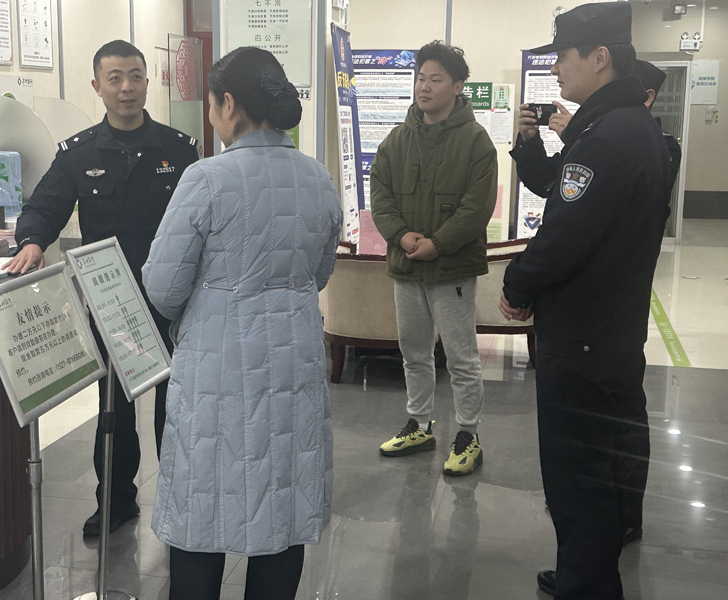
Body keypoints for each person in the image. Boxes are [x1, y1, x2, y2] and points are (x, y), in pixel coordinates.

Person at [141, 47, 342, 600]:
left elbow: (163, 287)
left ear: (228, 104)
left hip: (218, 370)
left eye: (211, 104)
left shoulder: (206, 178)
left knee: (202, 505)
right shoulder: (318, 177)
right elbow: (320, 272)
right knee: (283, 504)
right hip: (294, 364)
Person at [498, 3, 673, 598]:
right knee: (605, 465)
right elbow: (564, 195)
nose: (555, 70)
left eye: (562, 57)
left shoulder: (608, 138)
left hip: (583, 339)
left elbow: (565, 235)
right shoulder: (629, 129)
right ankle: (588, 572)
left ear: (599, 58)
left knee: (578, 477)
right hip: (613, 330)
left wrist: (517, 284)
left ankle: (586, 585)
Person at [5, 40, 200, 536]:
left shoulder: (179, 150)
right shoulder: (79, 153)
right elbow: (44, 207)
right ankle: (115, 501)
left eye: (134, 76)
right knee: (113, 407)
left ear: (146, 82)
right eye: (115, 78)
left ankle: (180, 499)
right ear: (97, 86)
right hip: (110, 301)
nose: (126, 87)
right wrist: (32, 242)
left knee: (175, 406)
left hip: (172, 299)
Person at [370, 40, 497, 475]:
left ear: (458, 86)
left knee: (461, 357)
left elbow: (477, 208)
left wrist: (437, 243)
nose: (424, 87)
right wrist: (401, 236)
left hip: (451, 267)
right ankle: (419, 424)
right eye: (421, 78)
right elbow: (381, 194)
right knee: (413, 352)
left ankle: (468, 434)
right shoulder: (397, 139)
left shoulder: (476, 141)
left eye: (435, 79)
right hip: (407, 265)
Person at [513, 59, 681, 199]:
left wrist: (578, 136)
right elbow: (546, 181)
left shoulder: (662, 144)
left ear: (647, 97)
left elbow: (605, 192)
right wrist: (530, 140)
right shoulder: (593, 132)